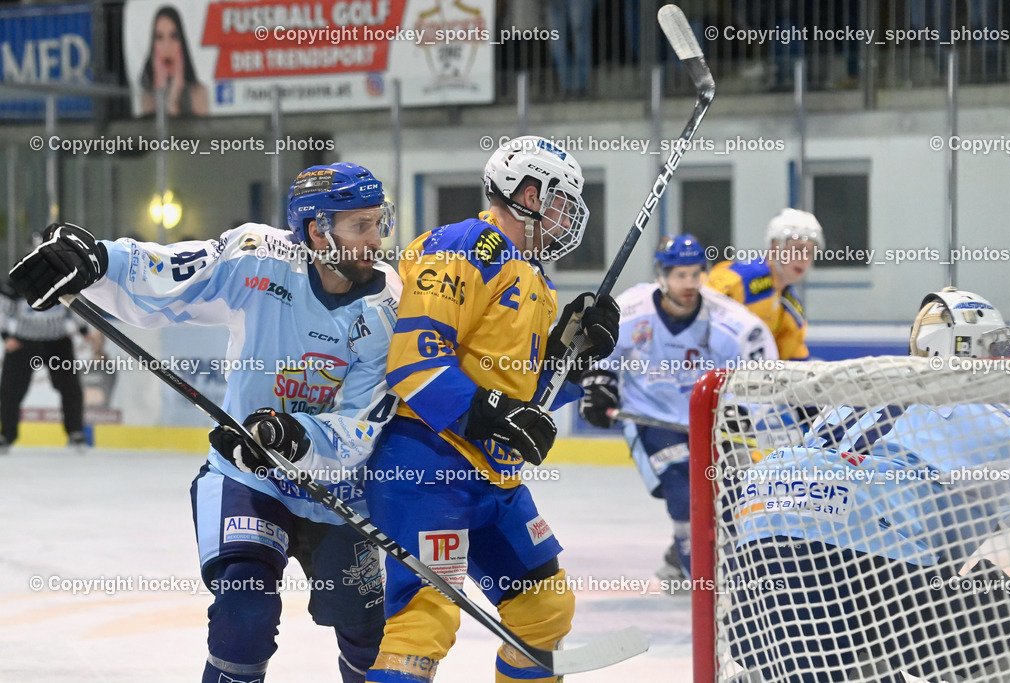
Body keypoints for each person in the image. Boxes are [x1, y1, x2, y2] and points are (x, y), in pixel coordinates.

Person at [9, 162, 401, 683]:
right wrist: (99, 260)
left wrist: (292, 436)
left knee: (369, 635)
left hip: (335, 487)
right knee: (244, 612)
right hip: (248, 476)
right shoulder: (259, 257)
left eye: (379, 222)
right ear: (316, 230)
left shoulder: (387, 306)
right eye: (360, 226)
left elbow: (363, 424)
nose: (376, 240)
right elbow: (173, 273)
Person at [362, 135, 619, 683]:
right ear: (527, 193)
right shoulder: (461, 248)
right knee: (424, 623)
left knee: (544, 609)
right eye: (558, 202)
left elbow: (525, 396)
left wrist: (571, 358)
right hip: (427, 468)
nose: (565, 218)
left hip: (491, 479)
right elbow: (415, 364)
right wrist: (491, 412)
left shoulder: (535, 279)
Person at [725, 287, 1010, 682]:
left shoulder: (859, 396)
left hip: (757, 590)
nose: (1004, 357)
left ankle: (768, 676)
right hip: (870, 581)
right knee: (1001, 606)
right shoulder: (995, 415)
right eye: (994, 345)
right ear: (963, 346)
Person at [577, 234, 777, 583]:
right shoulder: (633, 309)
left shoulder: (730, 321)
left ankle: (683, 555)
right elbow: (600, 351)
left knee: (728, 499)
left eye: (695, 274)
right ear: (662, 275)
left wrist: (741, 409)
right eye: (679, 275)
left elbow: (759, 368)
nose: (688, 283)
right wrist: (599, 386)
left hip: (709, 424)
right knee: (684, 493)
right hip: (650, 421)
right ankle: (701, 575)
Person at [0, 273, 102, 453]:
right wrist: (6, 336)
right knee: (10, 390)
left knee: (71, 387)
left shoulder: (63, 278)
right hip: (24, 342)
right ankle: (7, 435)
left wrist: (84, 330)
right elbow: (2, 308)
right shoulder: (19, 280)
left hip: (57, 341)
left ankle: (75, 431)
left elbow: (75, 305)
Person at [707, 208, 824, 361]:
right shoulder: (742, 278)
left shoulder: (792, 307)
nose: (804, 258)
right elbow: (698, 311)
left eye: (809, 252)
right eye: (797, 249)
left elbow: (795, 362)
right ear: (776, 247)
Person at [140, 5, 209, 117]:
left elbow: (197, 133)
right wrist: (161, 91)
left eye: (174, 36)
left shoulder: (198, 92)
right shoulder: (147, 94)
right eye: (159, 37)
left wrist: (173, 103)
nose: (167, 46)